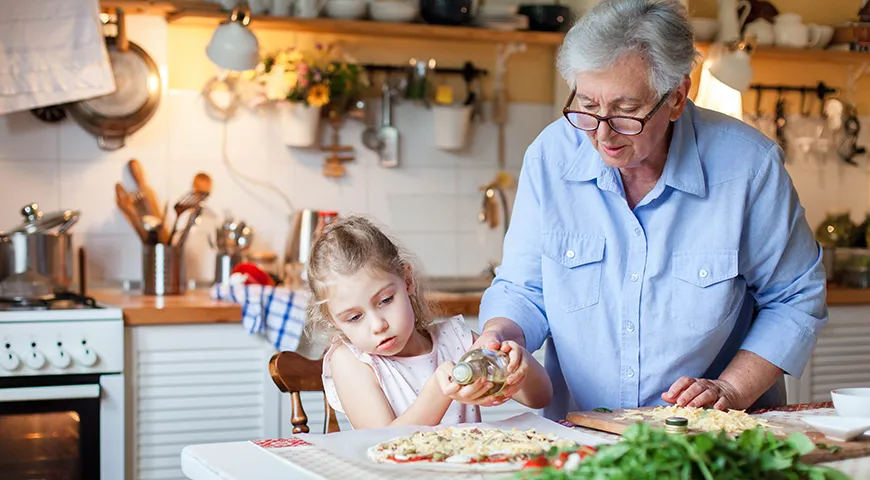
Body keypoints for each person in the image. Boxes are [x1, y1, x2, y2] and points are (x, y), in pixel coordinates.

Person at [458, 0, 828, 420]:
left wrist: (730, 388)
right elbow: (524, 288)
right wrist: (497, 336)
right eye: (587, 106)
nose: (601, 133)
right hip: (581, 433)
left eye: (626, 111)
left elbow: (796, 297)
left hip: (712, 437)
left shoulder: (748, 167)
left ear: (675, 97)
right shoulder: (551, 156)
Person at [306, 215, 552, 429]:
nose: (377, 325)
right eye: (355, 317)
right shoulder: (351, 362)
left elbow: (540, 397)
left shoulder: (455, 340)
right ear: (334, 321)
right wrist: (437, 391)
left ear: (408, 280)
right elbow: (381, 442)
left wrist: (518, 363)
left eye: (385, 300)